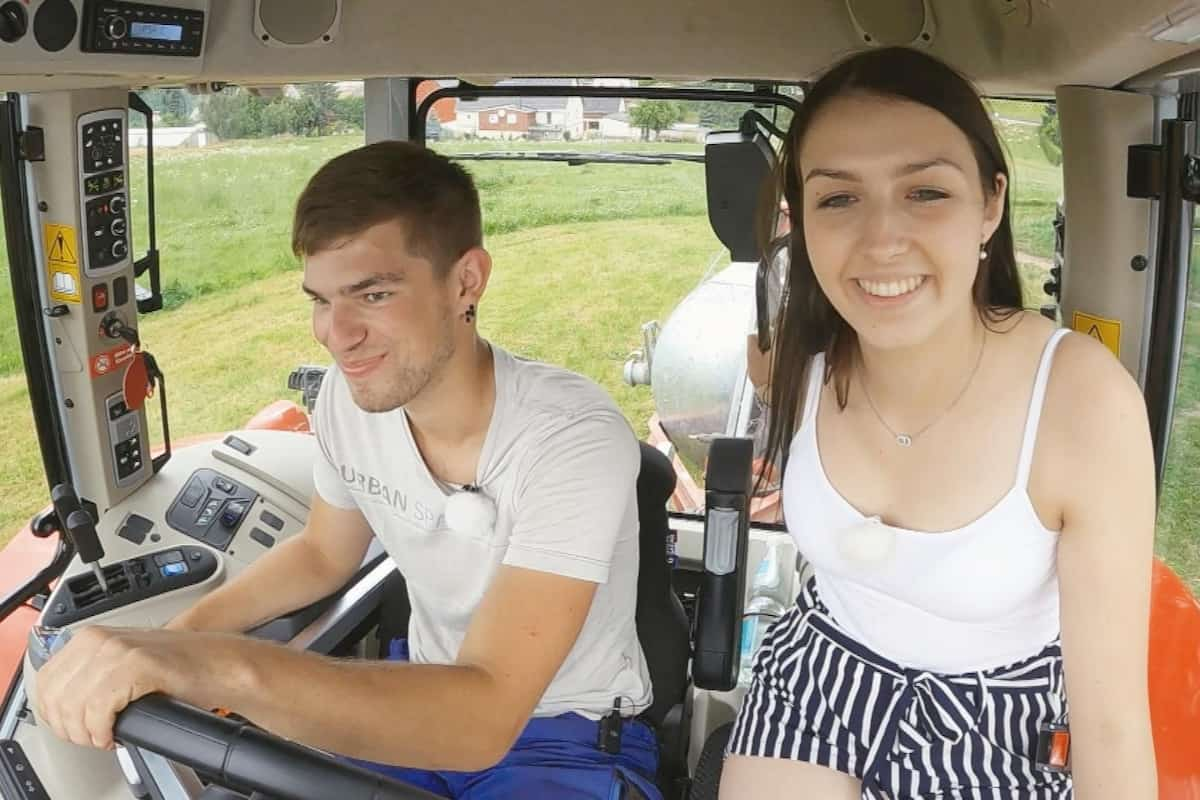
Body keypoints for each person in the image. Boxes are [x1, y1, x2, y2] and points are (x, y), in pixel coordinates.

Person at [33, 141, 662, 800]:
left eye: (374, 293)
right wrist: (172, 639)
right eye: (321, 299)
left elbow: (484, 717)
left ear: (466, 280)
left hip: (566, 734)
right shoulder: (348, 396)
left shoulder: (571, 436)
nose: (336, 333)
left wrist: (223, 670)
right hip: (414, 693)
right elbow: (323, 555)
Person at [719, 47, 1158, 799]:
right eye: (838, 199)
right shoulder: (800, 355)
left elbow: (1112, 727)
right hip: (816, 670)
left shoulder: (1081, 404)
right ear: (800, 219)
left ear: (990, 203)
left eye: (925, 191)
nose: (882, 242)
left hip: (997, 712)